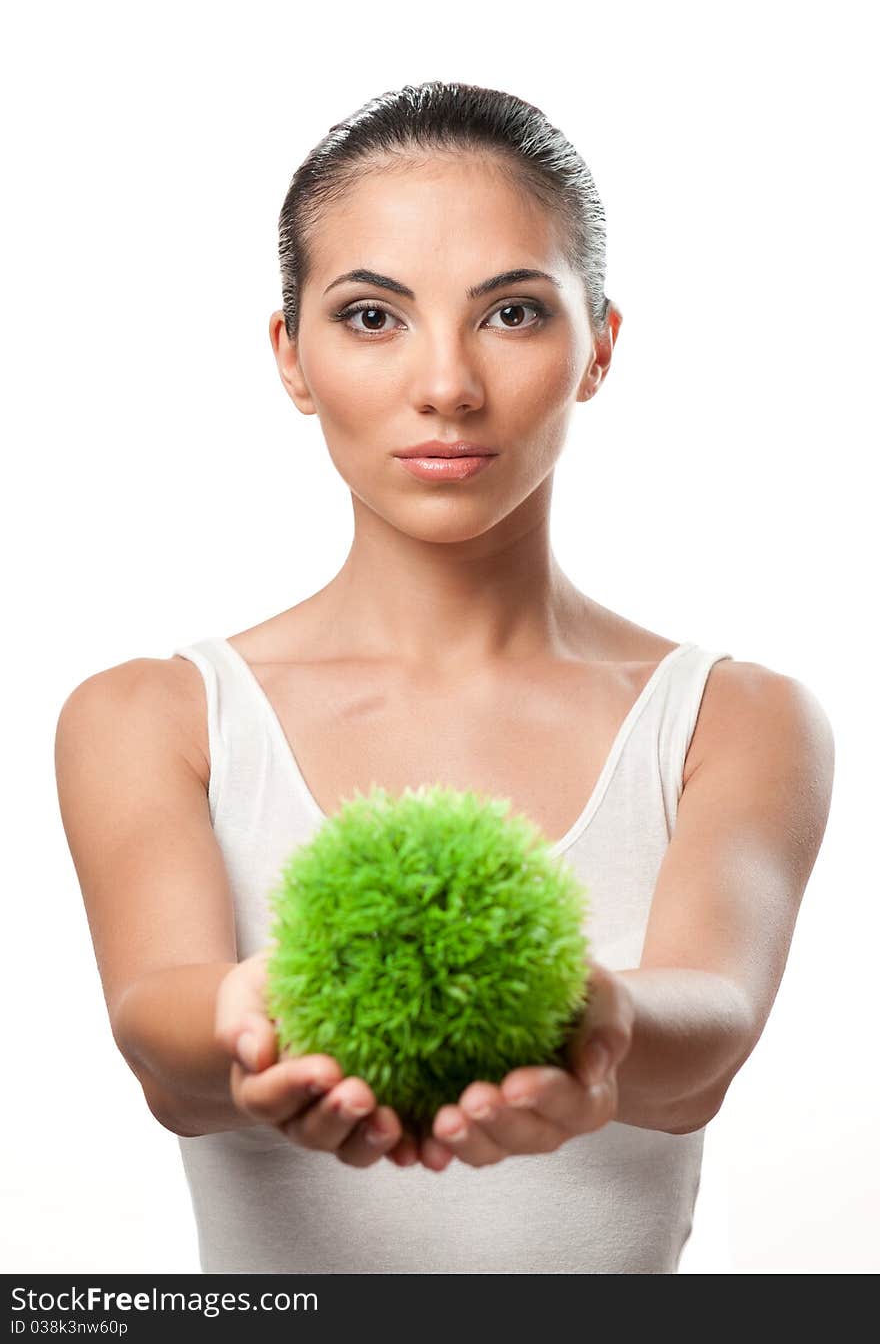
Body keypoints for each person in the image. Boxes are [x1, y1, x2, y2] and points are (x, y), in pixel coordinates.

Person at [54, 80, 835, 1274]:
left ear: (599, 347)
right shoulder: (151, 715)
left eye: (512, 313)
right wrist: (258, 1020)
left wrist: (601, 1025)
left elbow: (706, 1045)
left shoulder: (737, 717)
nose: (447, 386)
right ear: (292, 356)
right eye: (373, 317)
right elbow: (165, 1046)